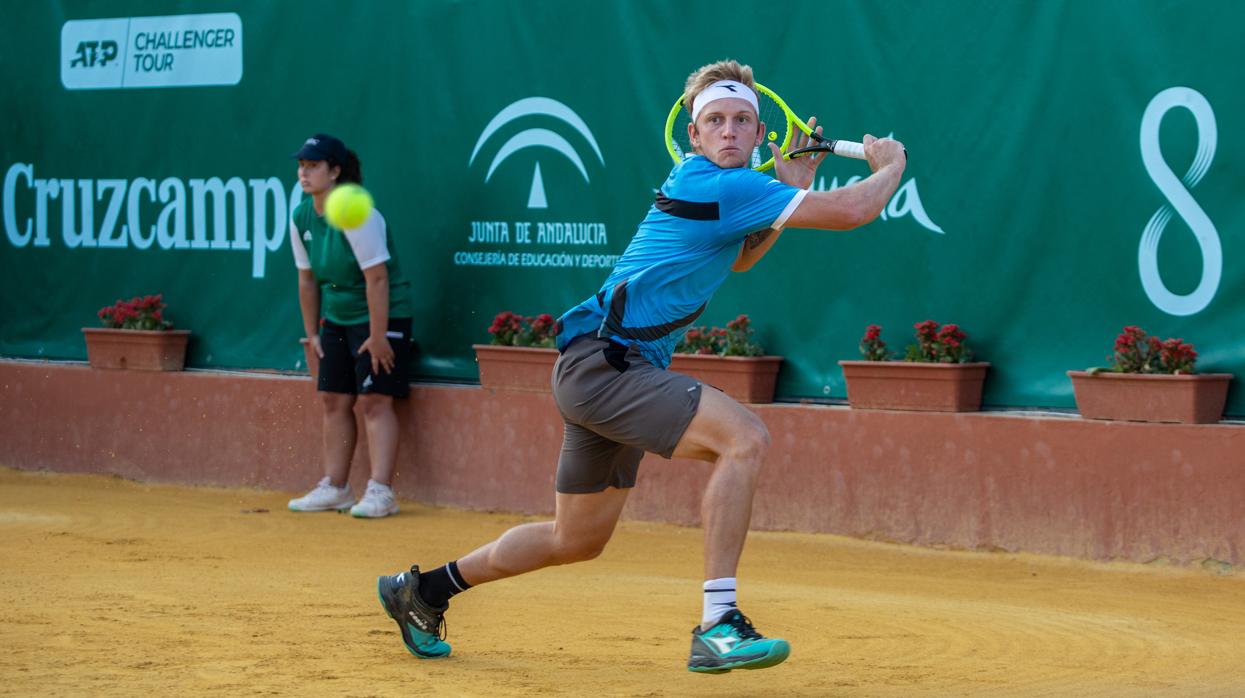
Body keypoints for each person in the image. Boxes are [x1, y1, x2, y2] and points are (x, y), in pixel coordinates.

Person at [377, 60, 906, 671]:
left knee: (572, 539)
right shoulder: (724, 185)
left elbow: (740, 261)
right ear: (695, 135)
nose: (729, 130)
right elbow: (851, 212)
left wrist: (789, 189)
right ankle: (719, 623)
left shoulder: (714, 186)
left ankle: (422, 591)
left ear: (760, 135)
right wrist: (889, 165)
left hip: (595, 370)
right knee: (745, 441)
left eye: (742, 120)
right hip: (610, 368)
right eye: (716, 121)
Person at [286, 133, 416, 519]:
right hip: (338, 315)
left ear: (336, 171)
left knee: (375, 400)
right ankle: (337, 487)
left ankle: (381, 491)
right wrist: (312, 334)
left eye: (313, 166)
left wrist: (378, 336)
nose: (304, 173)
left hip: (382, 313)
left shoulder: (357, 213)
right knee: (334, 399)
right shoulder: (302, 216)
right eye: (302, 166)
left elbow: (377, 278)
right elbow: (307, 279)